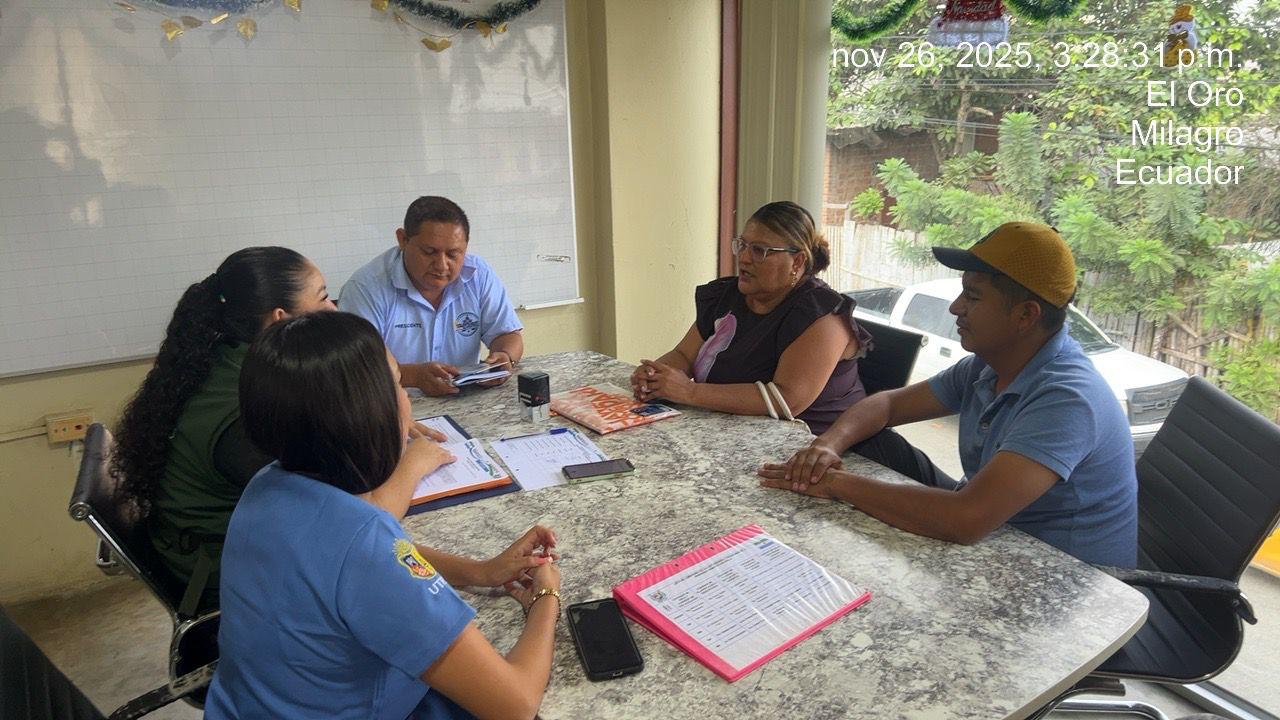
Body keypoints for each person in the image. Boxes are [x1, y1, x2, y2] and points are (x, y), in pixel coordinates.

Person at [205, 312, 561, 720]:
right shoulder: (364, 552)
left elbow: (370, 551)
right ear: (368, 412)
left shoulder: (268, 484)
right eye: (397, 384)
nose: (406, 399)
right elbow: (515, 704)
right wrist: (545, 598)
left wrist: (479, 572)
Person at [759, 222, 1137, 567]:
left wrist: (835, 484)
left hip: (1064, 580)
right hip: (999, 541)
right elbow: (887, 405)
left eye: (972, 297)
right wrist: (827, 446)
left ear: (1026, 315)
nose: (956, 308)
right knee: (874, 449)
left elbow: (965, 519)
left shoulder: (1067, 399)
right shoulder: (988, 365)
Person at [111, 247, 338, 610]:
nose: (333, 310)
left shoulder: (223, 359)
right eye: (323, 297)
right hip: (228, 581)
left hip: (208, 550)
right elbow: (329, 517)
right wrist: (414, 458)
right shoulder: (242, 411)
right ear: (279, 319)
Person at [629, 201, 871, 434]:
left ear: (797, 261)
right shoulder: (727, 296)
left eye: (759, 250)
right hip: (737, 432)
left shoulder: (822, 316)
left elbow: (786, 399)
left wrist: (688, 391)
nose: (744, 258)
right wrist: (654, 377)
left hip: (821, 446)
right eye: (742, 245)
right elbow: (684, 355)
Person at [341, 196, 524, 397]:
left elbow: (507, 334)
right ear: (403, 240)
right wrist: (413, 376)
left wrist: (504, 357)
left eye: (453, 254)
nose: (442, 265)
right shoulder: (365, 288)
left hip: (464, 399)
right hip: (396, 403)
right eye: (429, 252)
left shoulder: (478, 274)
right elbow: (355, 368)